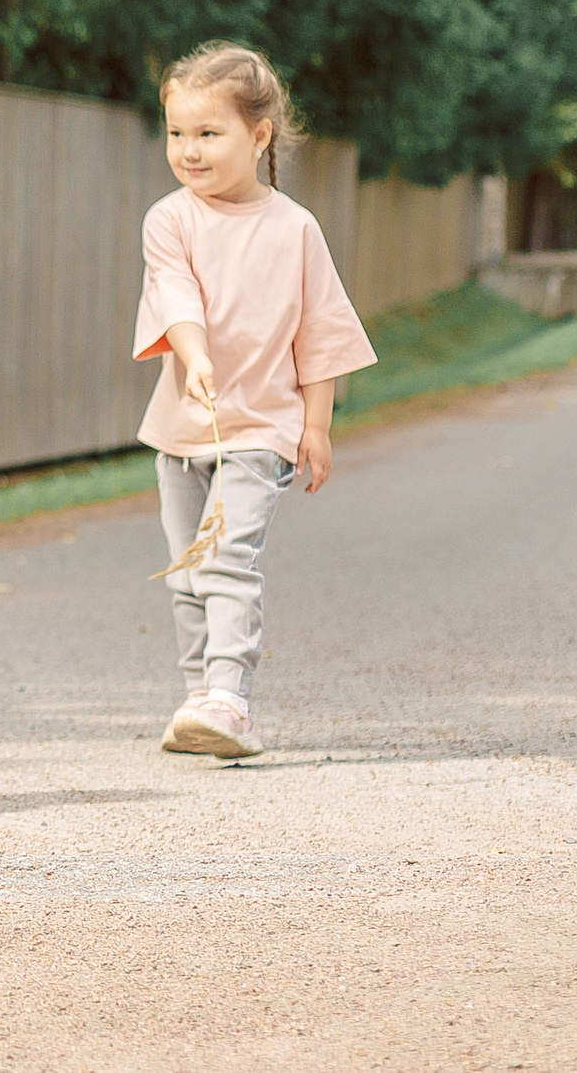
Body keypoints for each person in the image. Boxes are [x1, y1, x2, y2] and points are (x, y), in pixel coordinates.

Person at [132, 44, 377, 760]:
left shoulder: (294, 228)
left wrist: (318, 426)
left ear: (259, 135)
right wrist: (197, 354)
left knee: (228, 557)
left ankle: (229, 698)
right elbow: (173, 294)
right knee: (187, 568)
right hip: (182, 429)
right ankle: (197, 699)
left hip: (262, 426)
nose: (189, 150)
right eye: (177, 132)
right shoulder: (169, 220)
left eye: (209, 133)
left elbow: (321, 330)